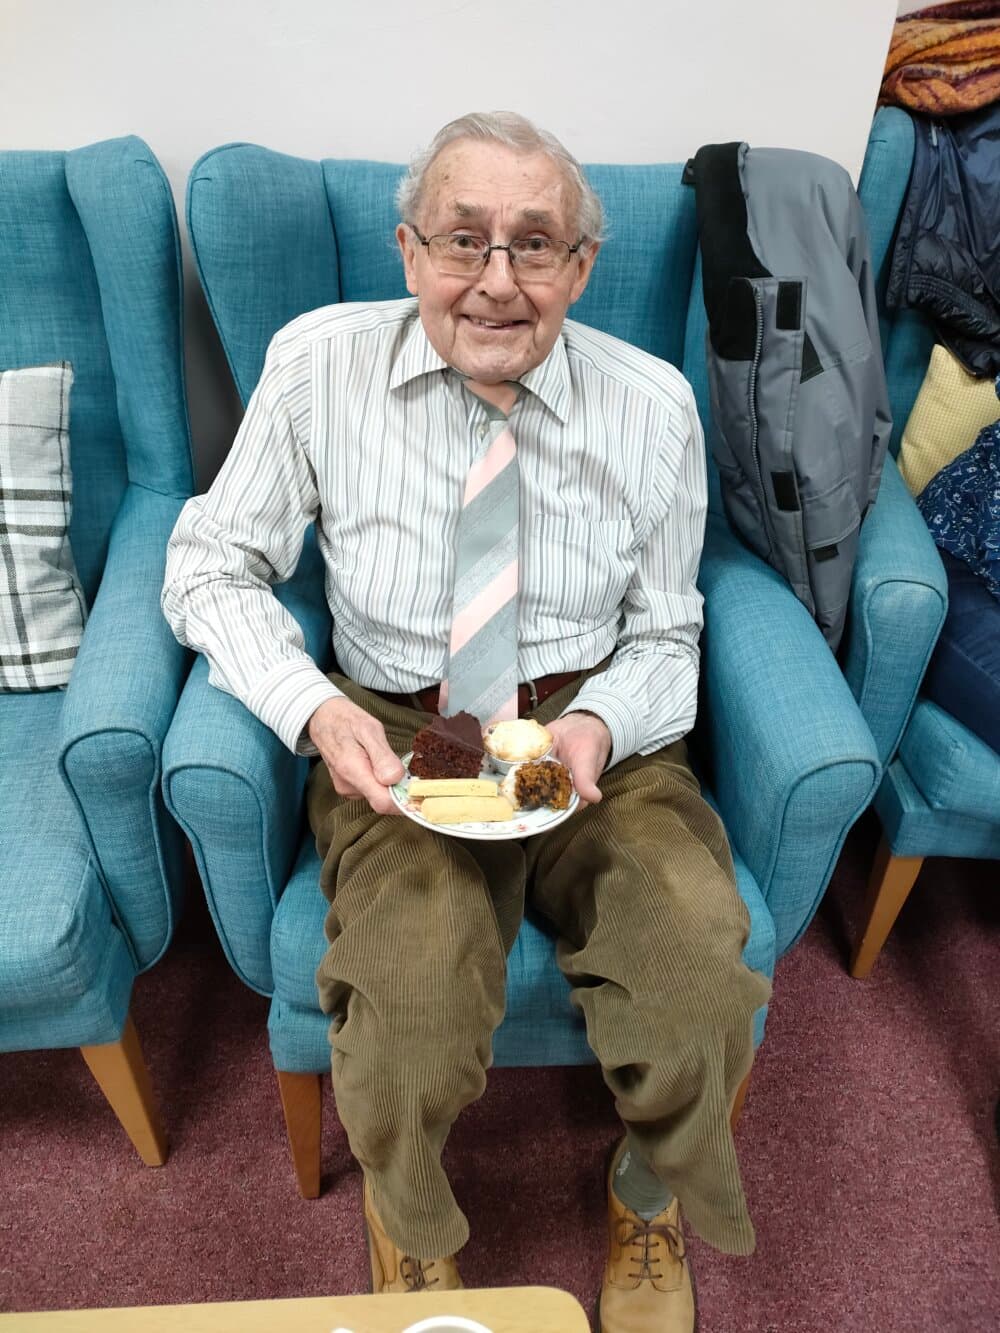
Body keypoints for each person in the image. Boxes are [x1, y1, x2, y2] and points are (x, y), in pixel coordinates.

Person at [163, 110, 771, 1333]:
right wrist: (312, 708)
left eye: (534, 244)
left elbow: (667, 632)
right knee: (407, 999)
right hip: (401, 729)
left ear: (580, 268)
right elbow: (208, 566)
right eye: (462, 239)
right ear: (409, 250)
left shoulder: (652, 406)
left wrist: (601, 725)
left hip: (590, 729)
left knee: (699, 974)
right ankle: (411, 1222)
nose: (497, 280)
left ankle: (647, 1191)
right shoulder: (318, 365)